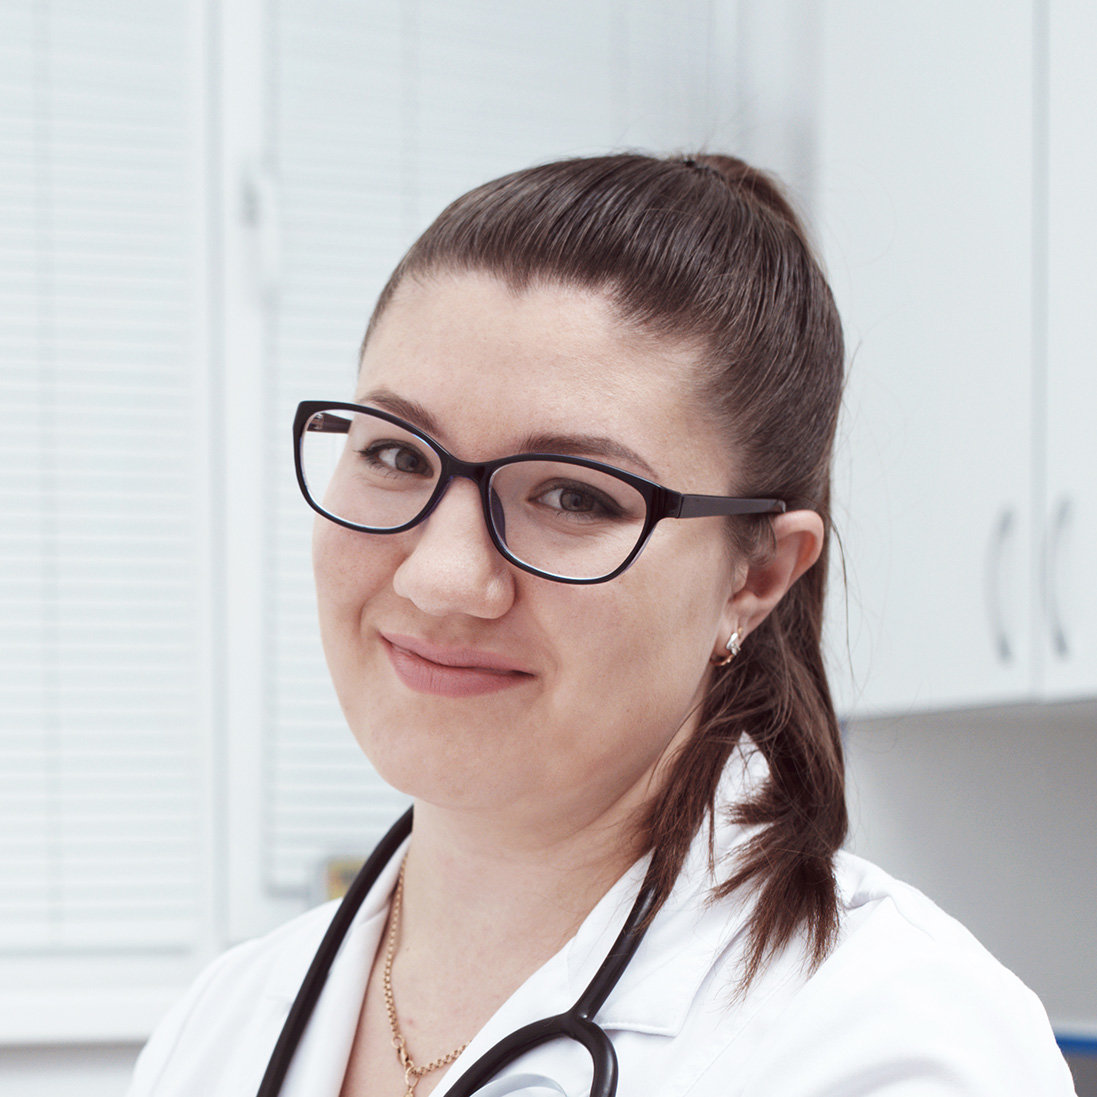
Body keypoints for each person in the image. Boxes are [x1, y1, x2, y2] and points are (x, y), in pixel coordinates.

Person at [127, 152, 1076, 1096]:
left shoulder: (898, 1045)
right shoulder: (219, 1026)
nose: (441, 578)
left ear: (756, 577)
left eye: (574, 495)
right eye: (396, 455)